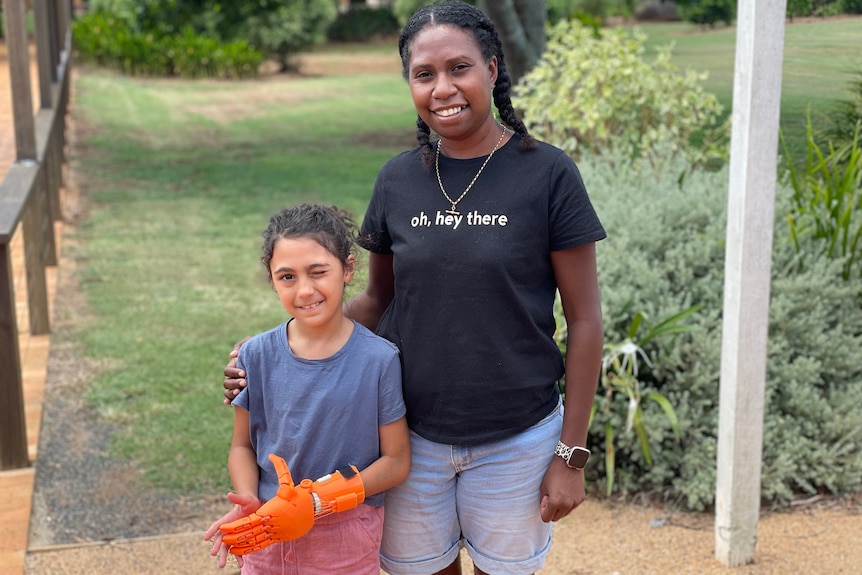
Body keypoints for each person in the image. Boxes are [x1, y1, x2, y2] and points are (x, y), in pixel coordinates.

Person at [223, 2, 606, 574]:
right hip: (410, 438)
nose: (442, 88)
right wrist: (277, 352)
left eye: (459, 68)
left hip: (518, 436)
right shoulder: (399, 179)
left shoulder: (547, 175)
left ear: (493, 70)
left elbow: (586, 322)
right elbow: (376, 300)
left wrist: (570, 454)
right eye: (424, 74)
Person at [205, 203, 411, 574]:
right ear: (271, 279)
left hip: (345, 538)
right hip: (267, 532)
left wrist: (318, 500)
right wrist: (249, 499)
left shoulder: (379, 360)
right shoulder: (255, 355)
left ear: (347, 269)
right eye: (287, 277)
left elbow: (395, 461)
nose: (304, 290)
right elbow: (242, 445)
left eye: (318, 272)